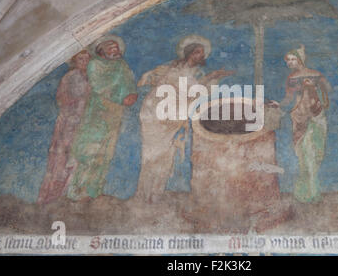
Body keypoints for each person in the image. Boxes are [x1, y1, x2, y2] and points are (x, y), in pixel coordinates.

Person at [136, 35, 233, 203]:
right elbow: (191, 89)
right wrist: (212, 77)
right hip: (156, 117)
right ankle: (143, 195)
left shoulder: (193, 73)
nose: (200, 56)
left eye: (202, 53)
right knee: (152, 156)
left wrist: (213, 76)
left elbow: (197, 90)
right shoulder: (175, 69)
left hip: (171, 120)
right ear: (188, 53)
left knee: (166, 156)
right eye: (197, 52)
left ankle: (155, 195)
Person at [67, 35, 138, 201]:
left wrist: (131, 93)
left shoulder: (121, 65)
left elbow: (128, 82)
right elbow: (99, 86)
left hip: (115, 113)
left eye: (116, 47)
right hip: (97, 112)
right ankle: (78, 191)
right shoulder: (95, 64)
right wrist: (121, 97)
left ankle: (94, 191)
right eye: (111, 47)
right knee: (91, 151)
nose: (115, 50)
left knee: (106, 153)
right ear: (101, 50)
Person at [270, 45, 331, 203]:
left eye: (292, 59)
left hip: (316, 115)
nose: (289, 63)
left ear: (300, 59)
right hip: (299, 117)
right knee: (304, 155)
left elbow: (328, 89)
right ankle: (307, 192)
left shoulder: (316, 74)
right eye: (288, 60)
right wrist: (279, 104)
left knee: (316, 153)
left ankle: (312, 191)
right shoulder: (291, 79)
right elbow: (289, 99)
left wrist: (315, 85)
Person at [38, 50, 91, 204]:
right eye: (81, 58)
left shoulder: (92, 77)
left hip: (85, 123)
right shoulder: (70, 77)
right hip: (69, 122)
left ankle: (73, 194)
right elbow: (61, 98)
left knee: (80, 159)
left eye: (87, 58)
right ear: (74, 60)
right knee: (62, 159)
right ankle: (53, 196)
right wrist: (77, 100)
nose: (84, 61)